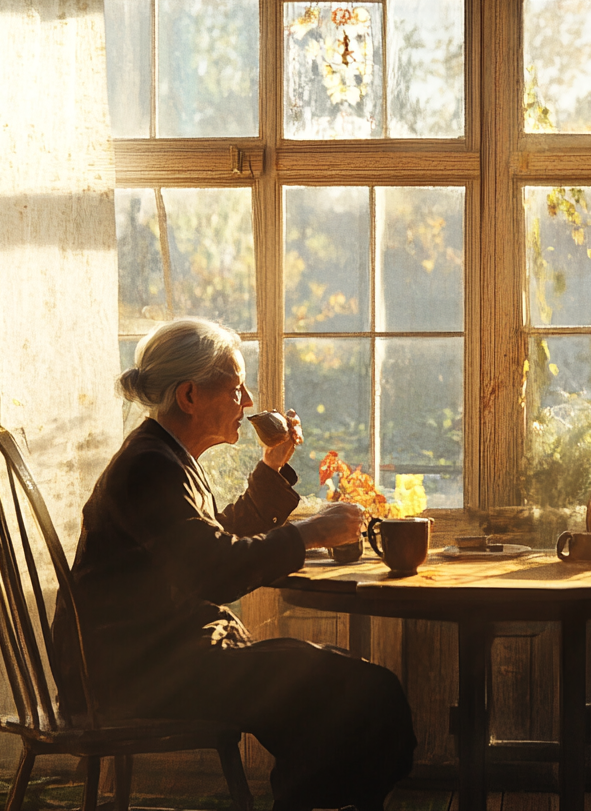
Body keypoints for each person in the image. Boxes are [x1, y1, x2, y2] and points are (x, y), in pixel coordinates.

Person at [52, 318, 415, 811]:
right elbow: (215, 571)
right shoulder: (149, 467)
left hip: (158, 659)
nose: (247, 404)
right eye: (236, 388)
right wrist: (310, 532)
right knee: (365, 693)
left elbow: (206, 545)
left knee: (346, 684)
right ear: (189, 396)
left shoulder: (163, 457)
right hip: (136, 674)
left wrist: (271, 469)